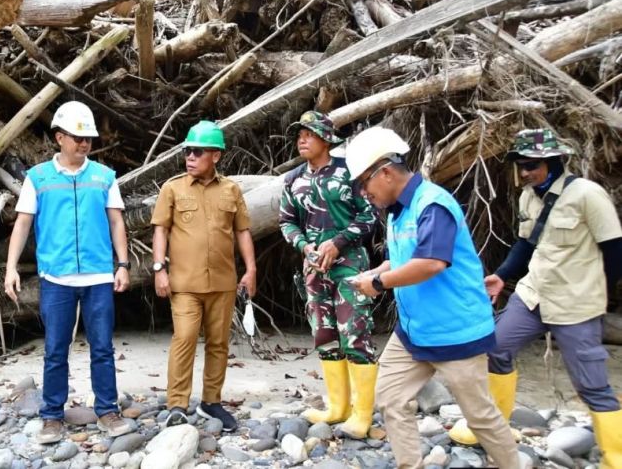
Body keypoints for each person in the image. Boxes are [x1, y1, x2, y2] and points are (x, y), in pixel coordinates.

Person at [345, 126, 519, 469]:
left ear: (385, 172)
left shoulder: (433, 204)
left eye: (364, 183)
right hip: (413, 331)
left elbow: (431, 262)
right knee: (392, 399)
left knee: (480, 416)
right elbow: (410, 255)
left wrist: (379, 283)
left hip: (456, 332)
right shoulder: (397, 210)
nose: (363, 192)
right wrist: (379, 268)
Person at [449, 128, 621, 465]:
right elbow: (527, 243)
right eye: (521, 165)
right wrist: (501, 275)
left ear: (554, 161)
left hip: (576, 303)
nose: (526, 172)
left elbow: (614, 249)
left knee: (591, 384)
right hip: (532, 295)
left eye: (533, 165)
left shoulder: (588, 194)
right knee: (495, 349)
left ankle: (615, 455)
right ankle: (493, 429)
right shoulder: (529, 196)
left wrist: (601, 292)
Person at [4, 100, 134, 444]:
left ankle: (107, 410)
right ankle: (52, 415)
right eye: (77, 137)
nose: (84, 143)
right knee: (55, 348)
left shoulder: (104, 177)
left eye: (88, 137)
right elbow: (22, 224)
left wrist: (122, 264)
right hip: (56, 278)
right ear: (59, 137)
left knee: (102, 347)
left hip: (97, 277)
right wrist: (11, 268)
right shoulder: (38, 178)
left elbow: (116, 222)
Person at [151, 120, 257, 432]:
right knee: (183, 338)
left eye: (198, 152)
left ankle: (212, 401)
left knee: (219, 343)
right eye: (188, 151)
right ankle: (177, 405)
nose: (190, 157)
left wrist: (250, 270)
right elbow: (161, 230)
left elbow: (243, 232)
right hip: (184, 284)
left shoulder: (231, 190)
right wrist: (159, 269)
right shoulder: (173, 188)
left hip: (223, 282)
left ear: (216, 156)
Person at [278, 111, 378, 437]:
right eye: (300, 134)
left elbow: (370, 216)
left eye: (309, 134)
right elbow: (286, 221)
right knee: (324, 336)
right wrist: (305, 247)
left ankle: (362, 415)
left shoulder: (350, 172)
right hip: (313, 267)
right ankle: (337, 408)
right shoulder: (293, 179)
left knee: (355, 334)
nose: (302, 140)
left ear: (326, 139)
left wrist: (338, 242)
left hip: (350, 265)